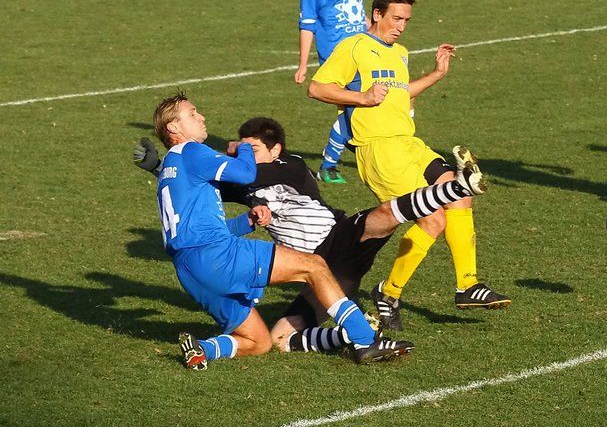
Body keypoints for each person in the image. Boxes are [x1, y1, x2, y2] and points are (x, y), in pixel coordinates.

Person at [134, 116, 487, 354]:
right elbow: (195, 185)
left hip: (338, 239)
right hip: (322, 271)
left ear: (275, 150)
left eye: (254, 149)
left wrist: (233, 157)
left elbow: (235, 174)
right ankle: (349, 336)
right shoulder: (245, 181)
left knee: (383, 215)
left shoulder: (291, 166)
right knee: (278, 338)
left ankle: (458, 187)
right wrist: (161, 168)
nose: (249, 157)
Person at [149, 93, 412, 369]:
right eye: (192, 113)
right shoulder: (191, 151)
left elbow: (192, 231)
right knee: (314, 266)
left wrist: (245, 222)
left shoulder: (169, 169)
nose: (201, 117)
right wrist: (244, 148)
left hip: (189, 269)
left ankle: (202, 349)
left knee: (259, 342)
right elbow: (246, 174)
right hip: (218, 255)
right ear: (173, 127)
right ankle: (364, 339)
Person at [308, 0, 510, 330]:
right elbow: (317, 88)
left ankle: (467, 285)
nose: (401, 26)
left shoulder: (399, 53)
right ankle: (388, 293)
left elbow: (400, 94)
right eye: (396, 18)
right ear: (377, 14)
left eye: (406, 20)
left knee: (460, 195)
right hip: (378, 149)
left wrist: (436, 74)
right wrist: (362, 97)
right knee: (433, 220)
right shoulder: (354, 47)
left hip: (409, 144)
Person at [295, 0, 369, 185]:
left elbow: (359, 13)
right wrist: (303, 64)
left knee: (358, 107)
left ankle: (332, 163)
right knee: (358, 106)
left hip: (362, 50)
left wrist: (377, 36)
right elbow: (307, 25)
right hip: (337, 56)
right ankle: (330, 164)